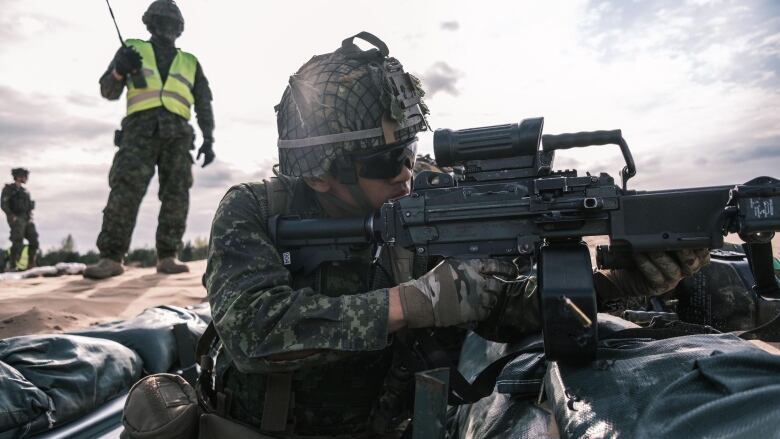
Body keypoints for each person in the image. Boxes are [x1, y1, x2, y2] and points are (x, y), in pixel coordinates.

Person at [201, 33, 709, 438]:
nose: (406, 171)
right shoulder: (255, 210)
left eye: (409, 148)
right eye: (385, 161)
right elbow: (254, 333)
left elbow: (506, 305)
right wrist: (416, 303)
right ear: (319, 176)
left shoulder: (429, 198)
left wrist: (618, 283)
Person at [84, 0, 215, 279]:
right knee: (124, 191)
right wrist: (120, 70)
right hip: (138, 134)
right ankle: (111, 257)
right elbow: (108, 90)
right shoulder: (132, 50)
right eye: (161, 22)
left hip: (178, 137)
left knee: (176, 195)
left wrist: (209, 139)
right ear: (151, 24)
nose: (167, 28)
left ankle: (168, 255)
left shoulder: (190, 62)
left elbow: (204, 103)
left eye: (172, 24)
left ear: (179, 29)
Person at [1, 168, 38, 272]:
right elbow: (3, 204)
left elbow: (29, 206)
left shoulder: (25, 192)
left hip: (27, 218)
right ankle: (12, 265)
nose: (26, 178)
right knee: (18, 242)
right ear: (18, 176)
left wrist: (30, 215)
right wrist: (11, 216)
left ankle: (31, 265)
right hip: (16, 218)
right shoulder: (9, 189)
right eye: (24, 176)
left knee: (34, 241)